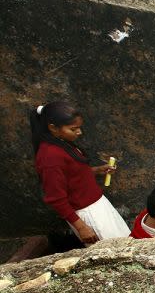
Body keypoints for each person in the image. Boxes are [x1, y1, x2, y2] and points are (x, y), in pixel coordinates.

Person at [31, 102, 129, 244]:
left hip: (98, 206)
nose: (79, 132)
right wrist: (81, 227)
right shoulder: (49, 157)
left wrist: (96, 170)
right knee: (115, 252)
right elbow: (56, 198)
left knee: (125, 244)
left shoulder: (62, 143)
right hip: (87, 214)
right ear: (53, 128)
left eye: (79, 127)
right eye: (73, 129)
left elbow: (71, 173)